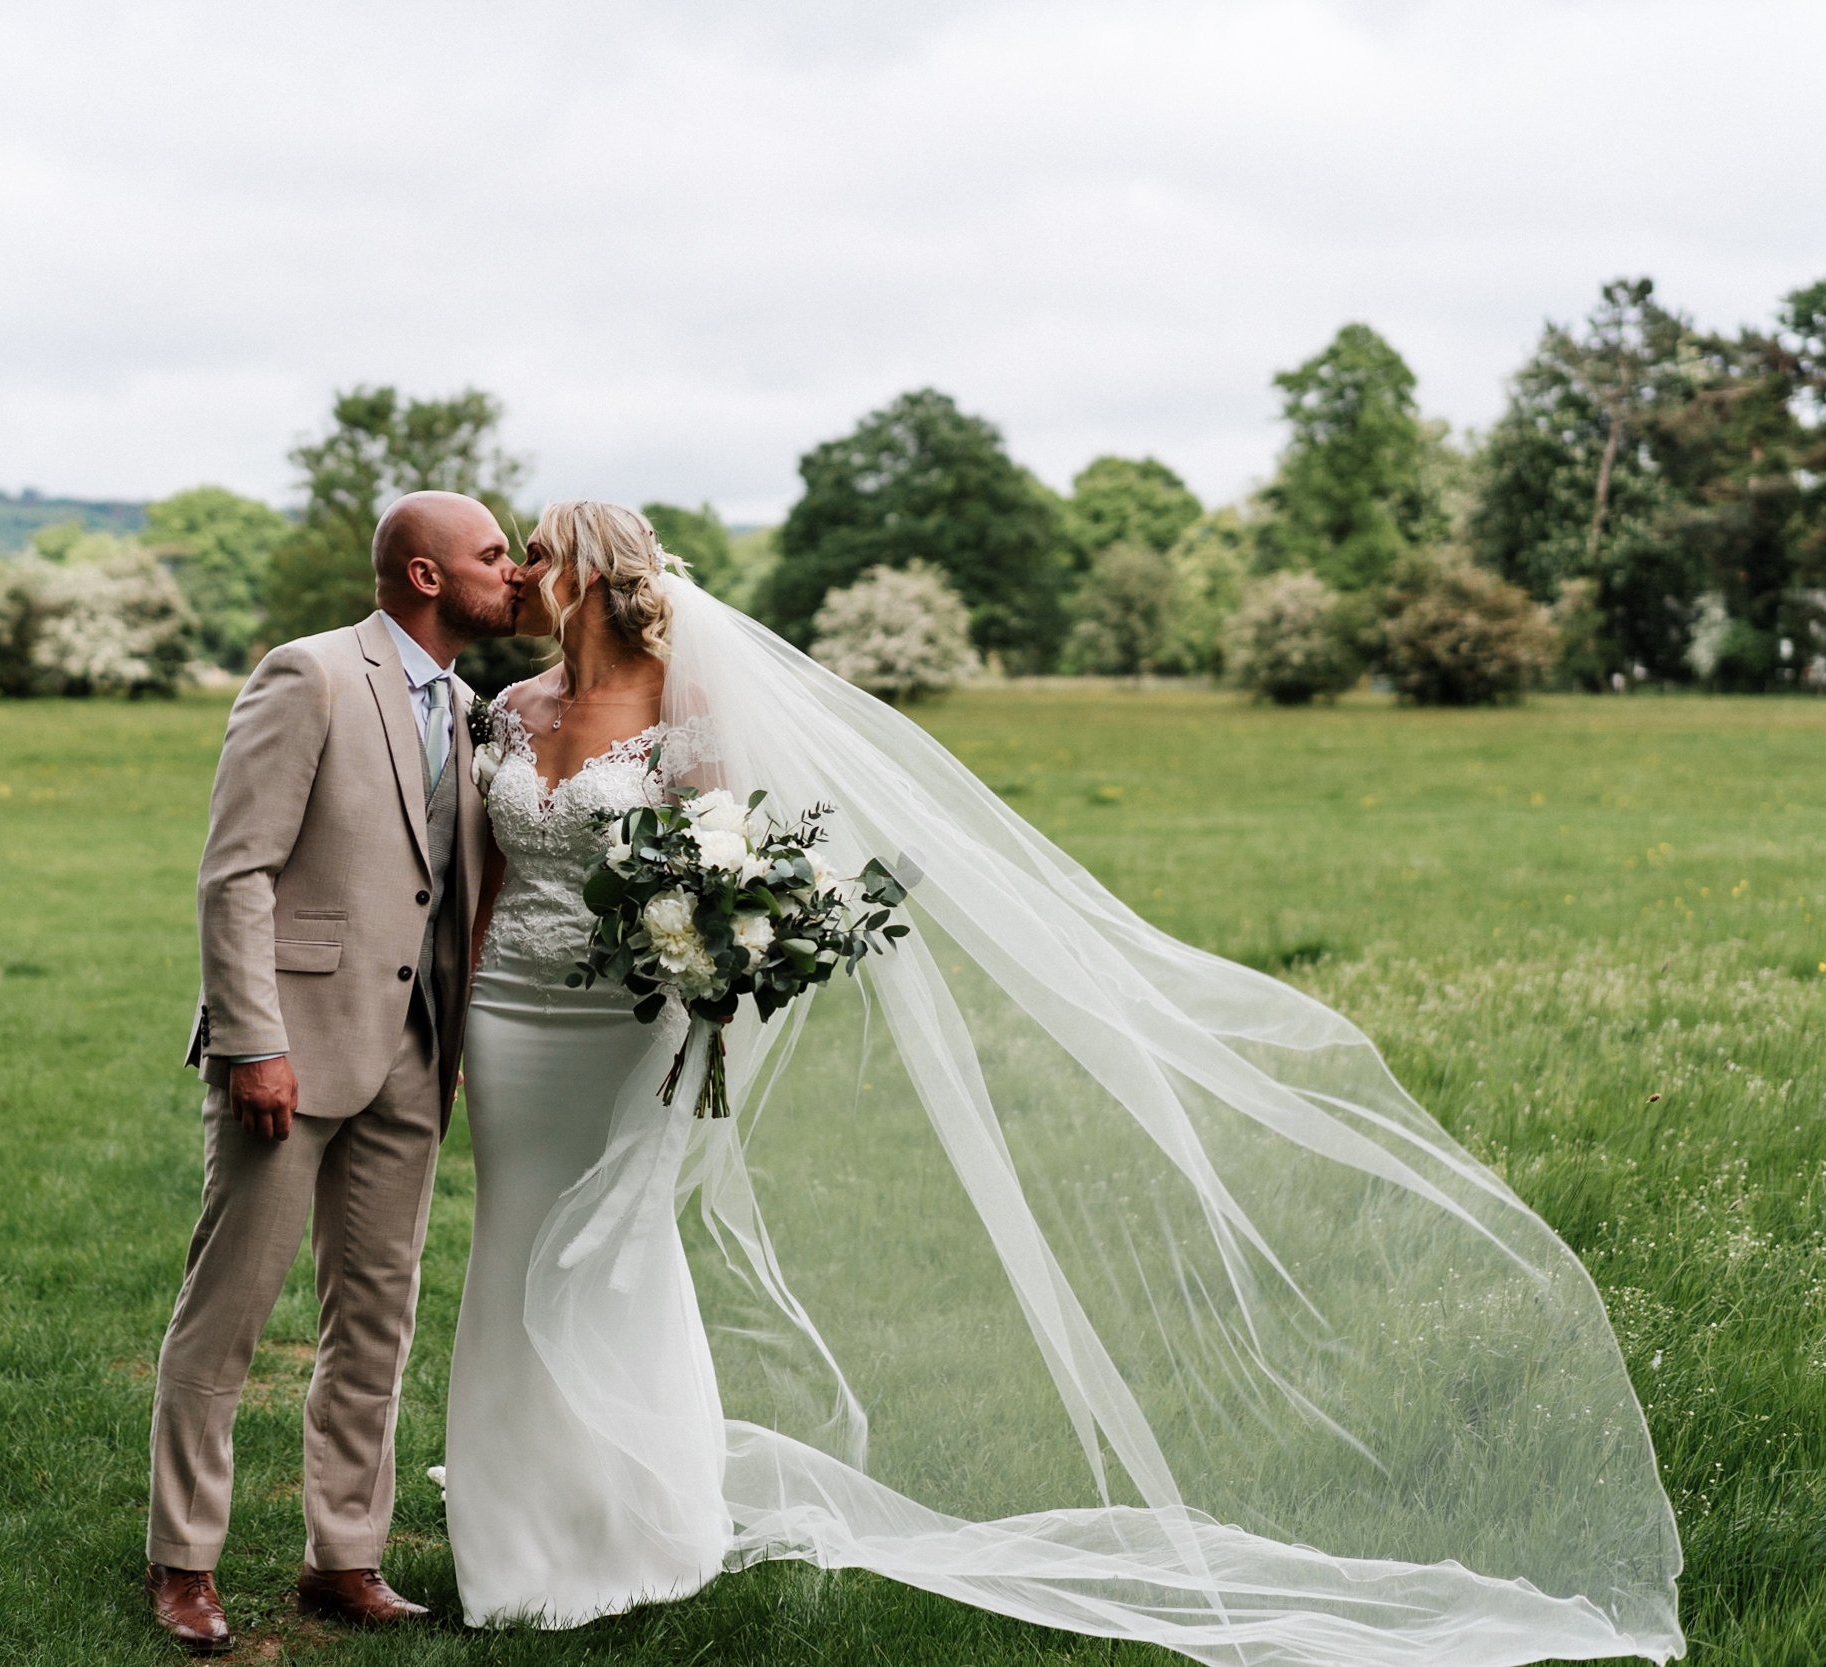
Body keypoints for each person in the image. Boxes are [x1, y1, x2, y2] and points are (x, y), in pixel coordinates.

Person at [444, 500, 1684, 1667]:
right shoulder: (511, 711)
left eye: (537, 554)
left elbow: (725, 880)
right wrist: (454, 1020)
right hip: (508, 1014)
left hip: (625, 1021)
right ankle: (513, 1534)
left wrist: (703, 998)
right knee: (512, 1238)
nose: (518, 576)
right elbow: (491, 877)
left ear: (593, 577)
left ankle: (635, 1523)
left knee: (618, 1246)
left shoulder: (690, 714)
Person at [149, 490, 516, 1655]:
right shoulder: (306, 675)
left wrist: (454, 1044)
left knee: (377, 1317)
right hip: (290, 1052)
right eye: (492, 555)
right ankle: (183, 1560)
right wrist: (254, 1040)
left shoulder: (467, 707)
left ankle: (342, 1556)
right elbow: (236, 872)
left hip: (415, 1055)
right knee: (229, 1315)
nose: (513, 573)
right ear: (423, 574)